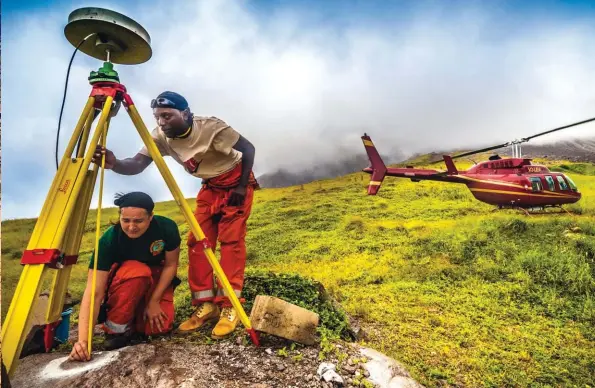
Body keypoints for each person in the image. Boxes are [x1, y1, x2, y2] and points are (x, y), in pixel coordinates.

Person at [92, 91, 258, 339]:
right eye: (158, 117)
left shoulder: (212, 127)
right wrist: (115, 163)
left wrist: (242, 186)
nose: (162, 122)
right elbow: (137, 164)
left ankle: (229, 306)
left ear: (186, 114)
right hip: (209, 187)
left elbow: (248, 148)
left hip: (235, 182)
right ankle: (207, 305)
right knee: (197, 242)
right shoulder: (159, 137)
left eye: (167, 116)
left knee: (231, 242)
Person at [69, 192, 181, 361]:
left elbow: (171, 265)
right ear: (119, 217)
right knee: (138, 272)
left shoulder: (166, 228)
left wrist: (154, 301)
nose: (131, 227)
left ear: (151, 217)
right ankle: (116, 329)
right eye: (126, 220)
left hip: (156, 275)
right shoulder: (109, 239)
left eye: (138, 221)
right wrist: (83, 341)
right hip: (128, 277)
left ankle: (137, 317)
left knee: (158, 328)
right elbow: (94, 292)